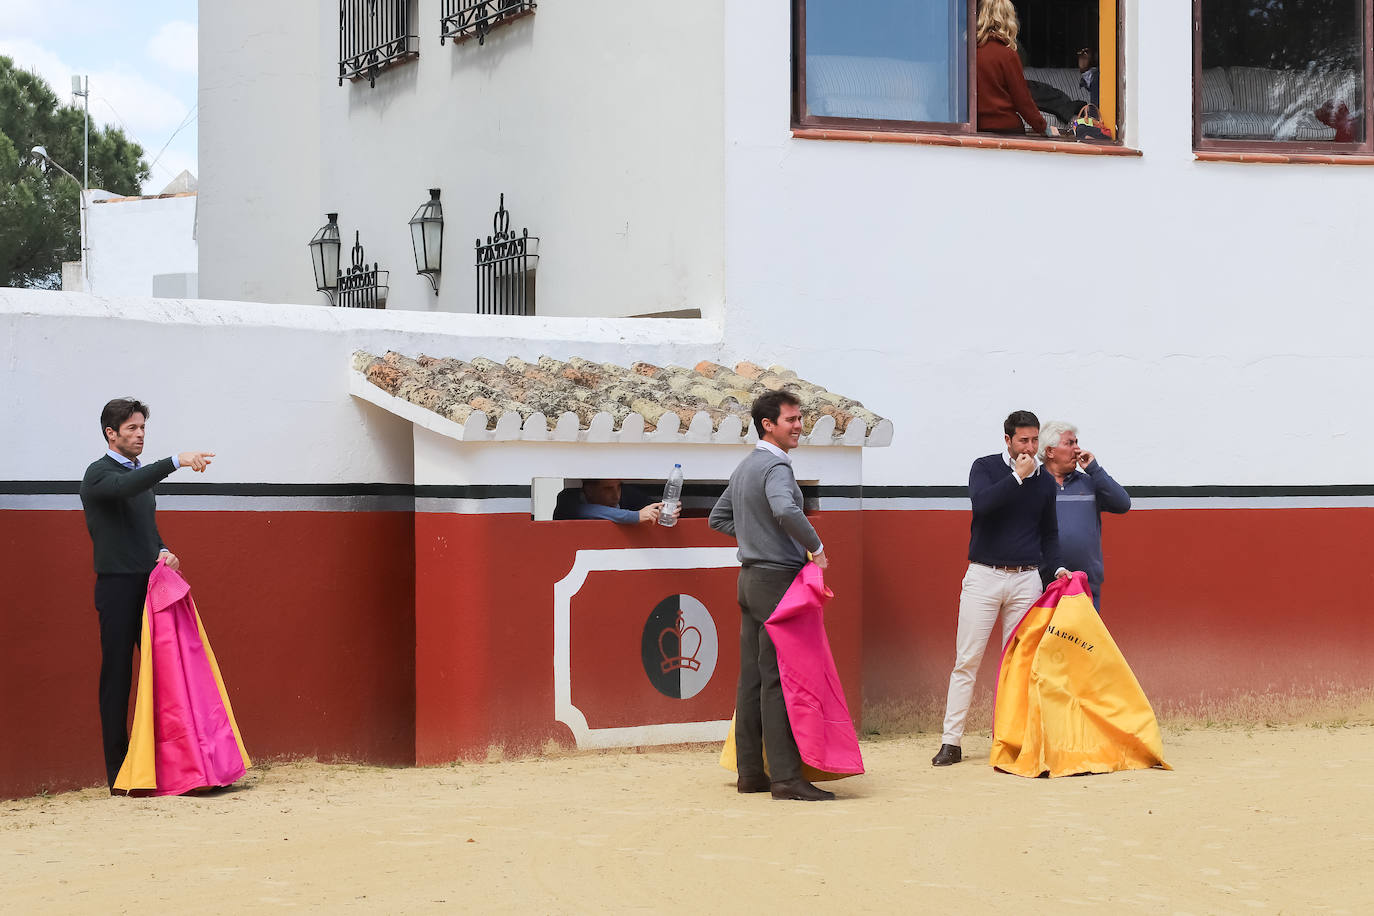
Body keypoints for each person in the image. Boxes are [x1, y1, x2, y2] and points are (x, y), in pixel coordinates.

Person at [79, 398, 214, 789]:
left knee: (166, 672)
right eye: (132, 429)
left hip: (151, 585)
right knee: (118, 677)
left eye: (142, 429)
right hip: (118, 588)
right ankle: (120, 773)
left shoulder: (139, 476)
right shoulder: (99, 474)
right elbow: (125, 488)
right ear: (111, 433)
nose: (140, 435)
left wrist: (162, 550)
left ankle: (171, 765)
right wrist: (175, 460)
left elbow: (144, 528)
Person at [709, 390, 833, 801]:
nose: (799, 426)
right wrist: (814, 546)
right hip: (778, 580)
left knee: (752, 678)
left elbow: (718, 518)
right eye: (791, 420)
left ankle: (751, 773)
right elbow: (785, 510)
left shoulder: (746, 466)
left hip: (749, 579)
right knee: (780, 679)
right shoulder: (777, 467)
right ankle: (784, 777)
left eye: (799, 419)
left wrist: (754, 538)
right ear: (768, 424)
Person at [932, 410, 1069, 767]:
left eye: (1035, 440)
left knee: (1018, 663)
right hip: (984, 575)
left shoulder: (1043, 481)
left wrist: (1055, 568)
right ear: (1007, 440)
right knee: (967, 660)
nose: (1031, 447)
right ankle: (951, 741)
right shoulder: (986, 467)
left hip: (1026, 578)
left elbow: (1049, 533)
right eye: (1023, 440)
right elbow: (983, 506)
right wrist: (1016, 477)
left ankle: (1008, 738)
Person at [1038, 421, 1130, 611]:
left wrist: (1094, 469)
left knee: (1083, 641)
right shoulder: (1034, 483)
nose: (1077, 448)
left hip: (1085, 585)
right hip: (1042, 584)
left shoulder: (1089, 482)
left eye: (1077, 442)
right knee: (1045, 641)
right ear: (1050, 451)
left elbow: (1122, 504)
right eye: (1069, 443)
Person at [976, 0, 1056, 137]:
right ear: (1008, 19)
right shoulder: (1007, 54)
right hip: (1007, 130)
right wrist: (1043, 127)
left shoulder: (967, 54)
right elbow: (1022, 100)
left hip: (975, 128)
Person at [553, 478, 664, 524]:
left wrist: (664, 509)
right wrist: (635, 516)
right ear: (589, 490)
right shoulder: (567, 498)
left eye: (618, 487)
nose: (616, 495)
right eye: (608, 489)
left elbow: (651, 506)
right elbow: (585, 511)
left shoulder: (626, 493)